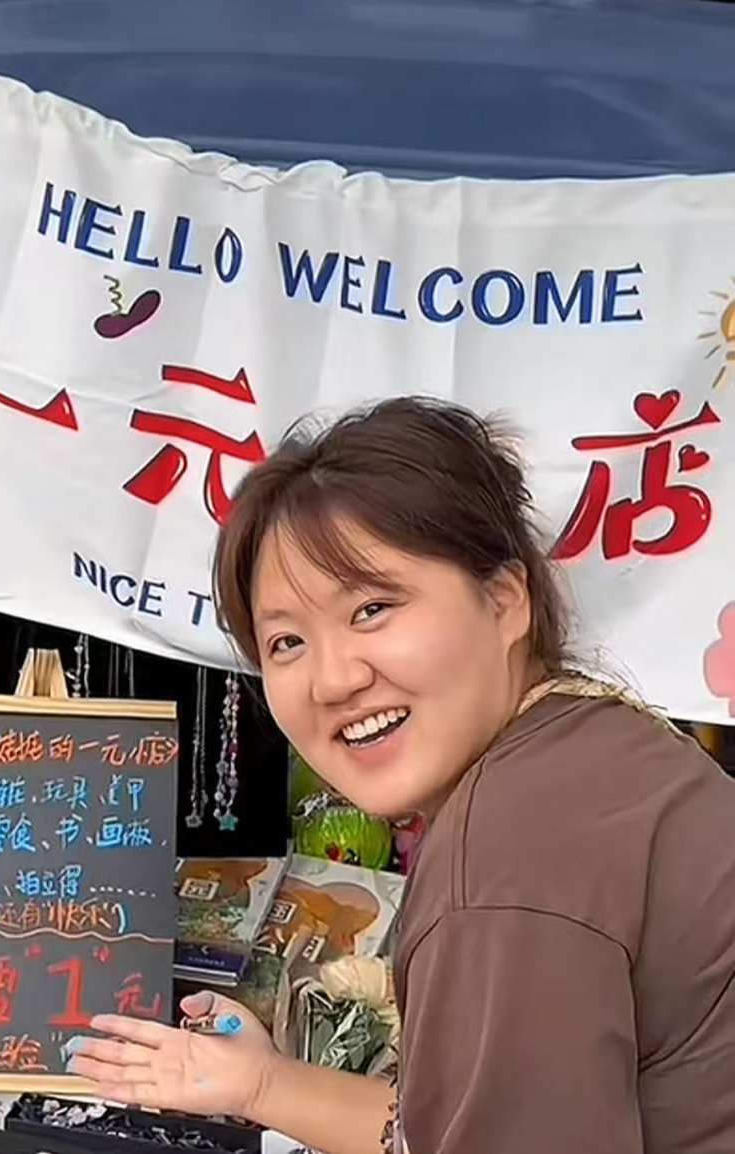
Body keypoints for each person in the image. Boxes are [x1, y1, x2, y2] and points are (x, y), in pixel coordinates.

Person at [65, 397, 735, 1154]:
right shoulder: (595, 748)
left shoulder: (507, 847)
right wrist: (260, 1084)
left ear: (505, 601)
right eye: (286, 643)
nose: (333, 679)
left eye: (373, 609)